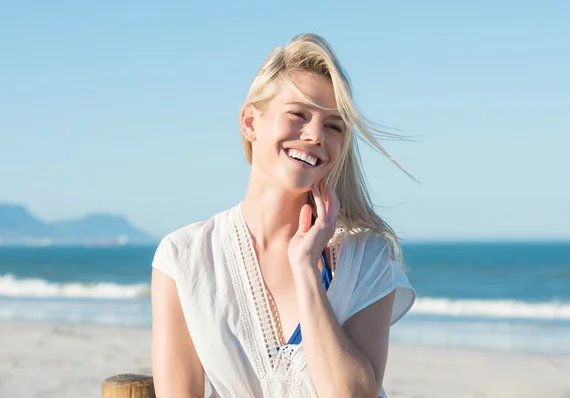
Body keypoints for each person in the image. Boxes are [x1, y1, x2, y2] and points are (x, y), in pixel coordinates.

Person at [150, 33, 416, 398]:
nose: (314, 135)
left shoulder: (367, 257)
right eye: (298, 114)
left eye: (333, 126)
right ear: (249, 123)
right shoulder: (183, 257)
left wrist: (306, 269)